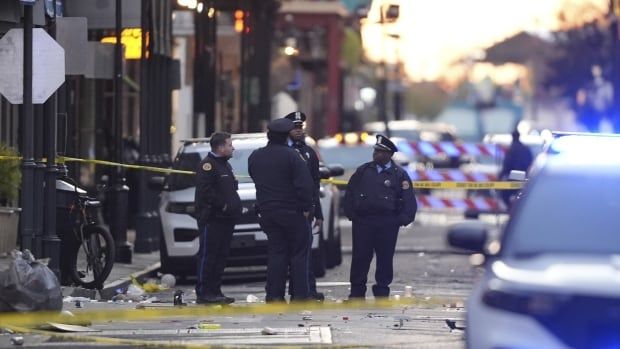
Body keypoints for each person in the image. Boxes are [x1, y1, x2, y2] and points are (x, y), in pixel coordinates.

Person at [248, 118, 314, 302]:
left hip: (268, 212)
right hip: (292, 212)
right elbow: (304, 185)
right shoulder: (292, 156)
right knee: (299, 255)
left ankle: (274, 295)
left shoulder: (256, 156)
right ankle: (300, 295)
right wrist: (307, 207)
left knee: (277, 253)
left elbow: (255, 177)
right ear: (286, 136)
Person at [344, 134, 417, 300]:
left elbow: (408, 200)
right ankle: (357, 292)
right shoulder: (363, 171)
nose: (376, 154)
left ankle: (382, 292)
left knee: (385, 258)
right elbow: (350, 194)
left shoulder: (399, 174)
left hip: (387, 223)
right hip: (364, 222)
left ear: (389, 154)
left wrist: (401, 220)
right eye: (375, 150)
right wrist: (352, 215)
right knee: (360, 257)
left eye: (380, 151)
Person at [194, 132, 242, 304]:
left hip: (226, 219)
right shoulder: (208, 165)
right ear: (220, 147)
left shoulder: (225, 165)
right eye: (230, 145)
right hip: (212, 219)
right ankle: (204, 292)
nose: (232, 148)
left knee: (221, 256)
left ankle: (215, 291)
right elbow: (206, 192)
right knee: (208, 255)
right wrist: (223, 205)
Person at [285, 111, 324, 301]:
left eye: (300, 127)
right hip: (288, 209)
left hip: (306, 211)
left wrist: (318, 212)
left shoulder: (309, 152)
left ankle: (308, 290)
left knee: (305, 253)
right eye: (294, 128)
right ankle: (294, 291)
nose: (298, 131)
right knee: (288, 255)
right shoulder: (283, 150)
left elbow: (315, 184)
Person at [498, 129, 533, 208]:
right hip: (525, 176)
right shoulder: (525, 148)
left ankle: (511, 209)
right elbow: (531, 162)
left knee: (505, 193)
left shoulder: (512, 149)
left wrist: (500, 177)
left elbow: (507, 165)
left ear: (512, 137)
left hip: (514, 176)